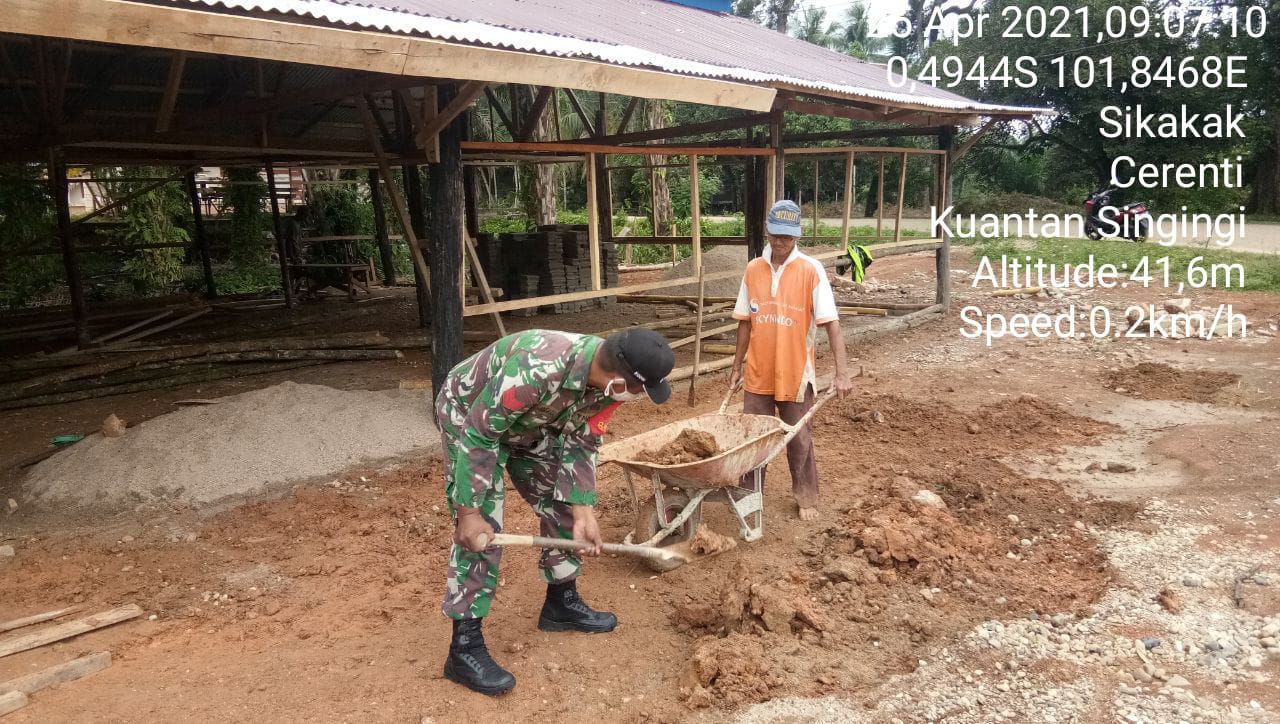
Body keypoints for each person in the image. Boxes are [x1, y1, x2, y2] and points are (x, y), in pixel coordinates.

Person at [436, 327, 675, 696]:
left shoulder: (609, 390)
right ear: (618, 379)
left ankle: (560, 604)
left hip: (530, 423)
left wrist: (583, 511)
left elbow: (582, 441)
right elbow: (481, 433)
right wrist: (468, 512)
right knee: (483, 530)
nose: (640, 396)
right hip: (469, 416)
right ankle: (463, 648)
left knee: (565, 504)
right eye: (641, 388)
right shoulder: (538, 367)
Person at [728, 200, 853, 521]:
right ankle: (749, 496)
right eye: (776, 234)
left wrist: (842, 373)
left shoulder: (811, 272)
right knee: (753, 438)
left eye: (788, 236)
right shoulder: (753, 269)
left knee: (799, 439)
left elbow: (832, 324)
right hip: (758, 374)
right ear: (767, 231)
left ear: (797, 236)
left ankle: (806, 496)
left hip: (796, 375)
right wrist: (736, 365)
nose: (781, 241)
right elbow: (744, 322)